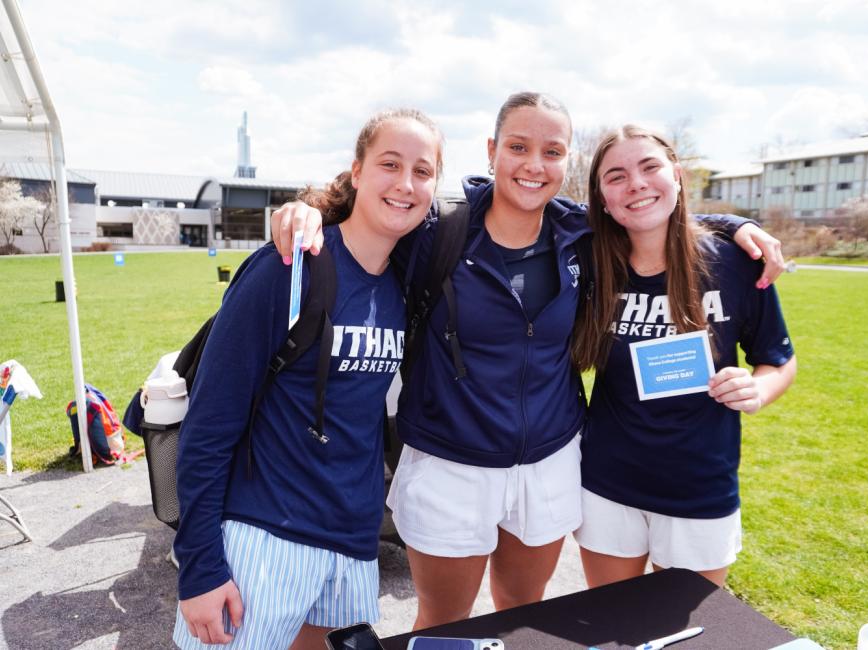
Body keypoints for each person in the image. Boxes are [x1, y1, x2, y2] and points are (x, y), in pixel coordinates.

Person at [270, 92, 784, 630]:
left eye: (553, 151)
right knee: (445, 621)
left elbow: (650, 210)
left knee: (525, 617)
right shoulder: (437, 230)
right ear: (492, 150)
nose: (534, 165)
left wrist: (731, 221)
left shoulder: (580, 234)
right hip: (451, 464)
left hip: (548, 460)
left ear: (566, 163)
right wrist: (305, 209)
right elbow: (371, 213)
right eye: (518, 146)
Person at [172, 108, 444, 650]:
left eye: (423, 170)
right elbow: (209, 423)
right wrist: (200, 566)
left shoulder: (403, 279)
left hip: (350, 541)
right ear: (358, 171)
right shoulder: (288, 267)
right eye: (390, 163)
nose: (405, 183)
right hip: (264, 536)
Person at [572, 125, 797, 589]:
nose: (635, 183)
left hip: (699, 487)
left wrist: (758, 389)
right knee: (613, 626)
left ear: (676, 175)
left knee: (684, 635)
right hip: (608, 483)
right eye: (616, 176)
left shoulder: (734, 263)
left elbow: (778, 359)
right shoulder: (591, 262)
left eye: (649, 167)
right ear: (602, 197)